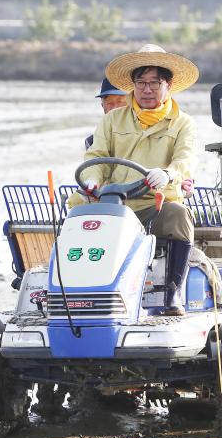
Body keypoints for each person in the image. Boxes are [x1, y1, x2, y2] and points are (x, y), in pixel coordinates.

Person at [70, 44, 199, 316]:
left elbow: (185, 160)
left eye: (155, 83)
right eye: (141, 82)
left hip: (155, 203)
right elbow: (97, 155)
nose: (147, 89)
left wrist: (167, 174)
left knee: (179, 216)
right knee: (76, 207)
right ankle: (73, 288)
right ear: (133, 85)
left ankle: (172, 293)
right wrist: (92, 181)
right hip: (114, 203)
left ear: (169, 85)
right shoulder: (113, 120)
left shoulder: (183, 123)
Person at [85, 78, 127, 149]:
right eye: (109, 103)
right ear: (102, 106)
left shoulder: (145, 135)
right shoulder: (92, 142)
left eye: (120, 102)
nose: (114, 108)